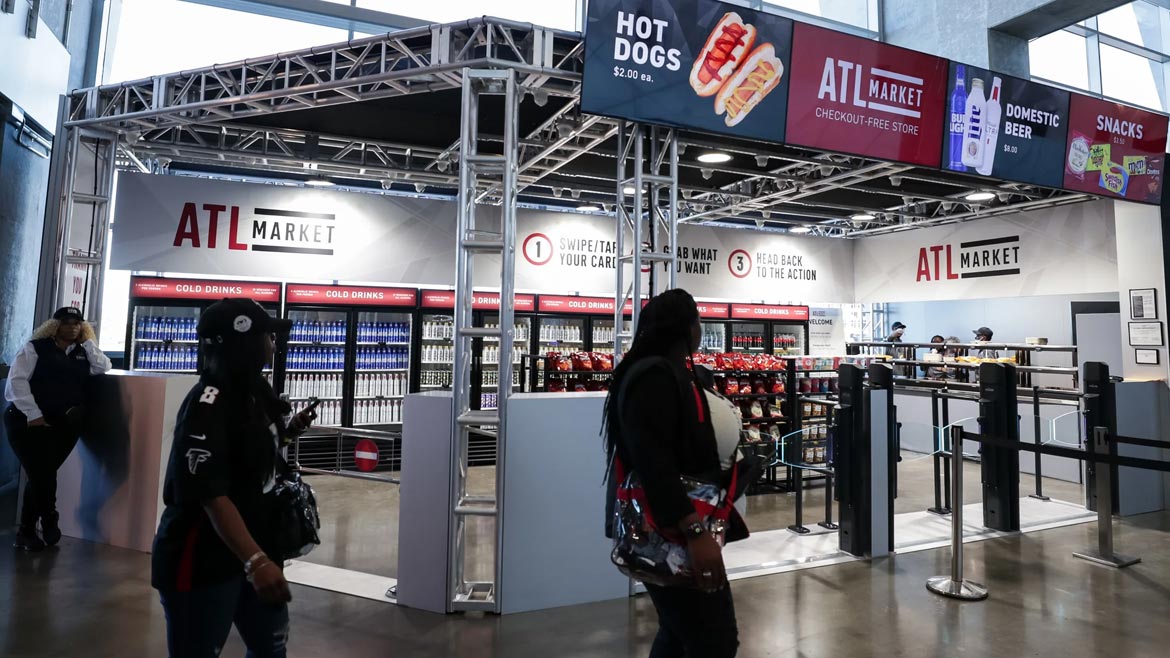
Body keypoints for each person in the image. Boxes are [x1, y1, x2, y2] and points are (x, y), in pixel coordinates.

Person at [151, 298, 317, 658]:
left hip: (255, 549)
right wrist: (255, 562)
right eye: (268, 337)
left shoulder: (256, 390)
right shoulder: (207, 404)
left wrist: (290, 431)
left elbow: (258, 451)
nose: (274, 344)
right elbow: (210, 494)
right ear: (243, 343)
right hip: (205, 558)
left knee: (270, 649)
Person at [603, 289, 745, 658]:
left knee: (677, 632)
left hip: (671, 529)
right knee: (715, 641)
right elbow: (655, 464)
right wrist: (694, 531)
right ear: (686, 327)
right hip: (674, 533)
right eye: (697, 320)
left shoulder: (658, 370)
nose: (700, 328)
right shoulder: (655, 376)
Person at [4, 306, 111, 552]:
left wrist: (89, 342)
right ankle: (50, 517)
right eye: (67, 323)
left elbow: (103, 366)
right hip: (26, 422)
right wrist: (34, 414)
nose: (72, 327)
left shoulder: (83, 352)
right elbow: (16, 382)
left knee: (41, 474)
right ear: (55, 325)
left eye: (77, 324)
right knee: (42, 473)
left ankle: (27, 532)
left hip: (62, 425)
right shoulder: (35, 348)